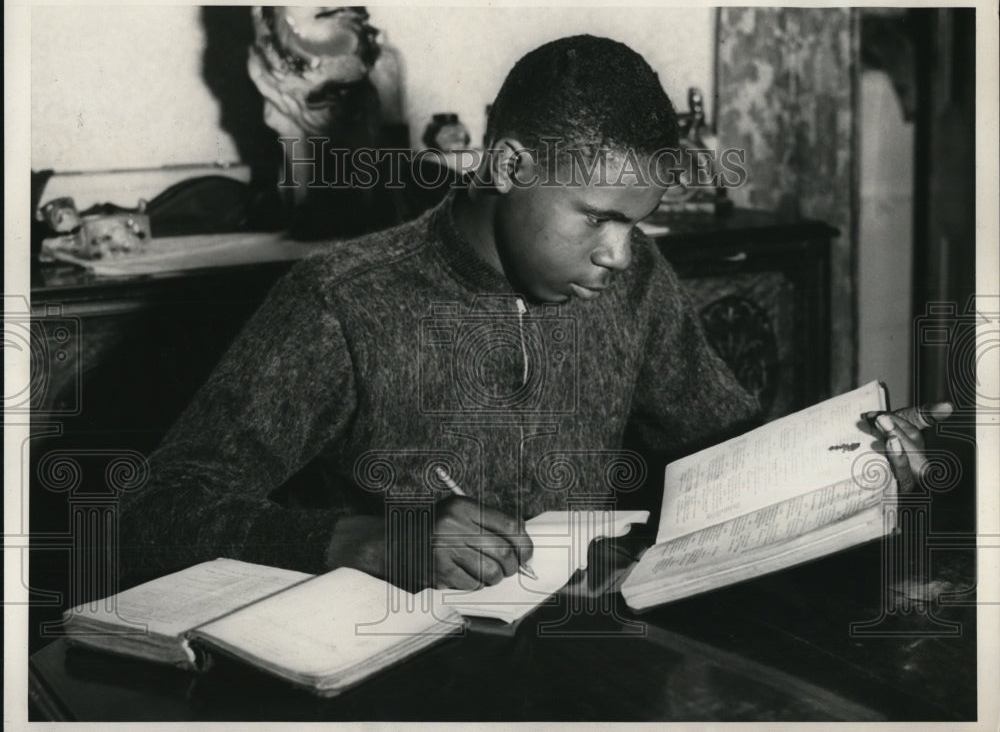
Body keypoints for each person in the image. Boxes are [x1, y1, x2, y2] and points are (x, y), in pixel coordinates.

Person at [118, 35, 950, 593]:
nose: (623, 255)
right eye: (598, 217)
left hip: (594, 659)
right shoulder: (345, 298)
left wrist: (842, 459)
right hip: (394, 674)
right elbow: (158, 512)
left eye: (640, 221)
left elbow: (723, 454)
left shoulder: (636, 280)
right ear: (509, 164)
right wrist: (369, 541)